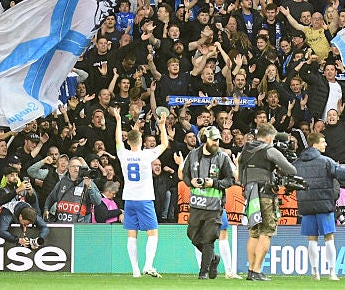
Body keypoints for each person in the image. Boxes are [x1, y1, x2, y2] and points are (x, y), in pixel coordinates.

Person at [294, 131, 345, 280]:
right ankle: (332, 272)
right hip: (324, 205)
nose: (326, 144)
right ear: (315, 144)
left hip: (306, 206)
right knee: (329, 239)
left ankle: (315, 273)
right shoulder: (326, 161)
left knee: (312, 240)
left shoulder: (297, 162)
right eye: (323, 141)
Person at [111, 105, 169, 278]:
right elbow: (165, 143)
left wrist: (118, 120)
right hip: (144, 199)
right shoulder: (147, 154)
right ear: (141, 141)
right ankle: (148, 265)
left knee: (131, 234)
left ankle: (135, 270)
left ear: (129, 141)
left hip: (129, 199)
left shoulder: (123, 154)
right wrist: (162, 125)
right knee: (153, 233)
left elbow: (117, 141)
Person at [236, 122, 297, 281]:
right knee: (266, 232)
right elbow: (291, 170)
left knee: (254, 233)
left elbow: (240, 176)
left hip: (250, 195)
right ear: (269, 137)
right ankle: (257, 270)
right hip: (265, 195)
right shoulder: (269, 150)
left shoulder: (246, 150)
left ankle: (250, 270)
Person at [182, 125, 237, 280]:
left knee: (209, 238)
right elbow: (184, 176)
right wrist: (191, 182)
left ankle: (203, 272)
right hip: (196, 204)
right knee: (192, 236)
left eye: (218, 140)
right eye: (213, 140)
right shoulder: (192, 155)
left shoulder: (223, 158)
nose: (216, 143)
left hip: (214, 206)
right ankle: (213, 259)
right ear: (206, 139)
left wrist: (214, 183)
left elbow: (231, 180)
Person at [44, 156, 103, 224]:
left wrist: (89, 187)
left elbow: (98, 201)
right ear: (68, 168)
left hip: (80, 227)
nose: (76, 169)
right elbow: (51, 197)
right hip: (62, 225)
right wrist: (46, 209)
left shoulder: (88, 182)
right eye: (73, 166)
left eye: (78, 167)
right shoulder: (62, 182)